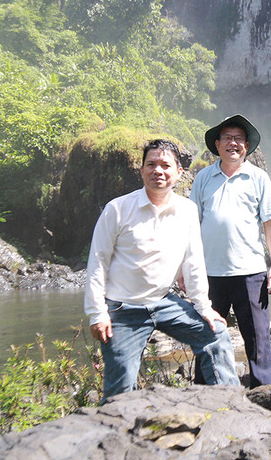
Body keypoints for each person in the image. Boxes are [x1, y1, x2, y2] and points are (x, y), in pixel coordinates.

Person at [85, 139, 239, 402]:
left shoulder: (187, 210)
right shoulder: (118, 209)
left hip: (164, 302)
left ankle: (231, 404)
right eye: (151, 164)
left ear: (179, 172)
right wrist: (97, 313)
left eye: (166, 165)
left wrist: (204, 308)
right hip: (123, 309)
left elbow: (193, 262)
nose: (158, 171)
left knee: (216, 334)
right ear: (141, 170)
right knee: (119, 389)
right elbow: (97, 262)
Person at [189, 115, 271, 387]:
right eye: (227, 138)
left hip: (250, 272)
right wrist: (186, 267)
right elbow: (191, 224)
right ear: (216, 145)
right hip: (210, 273)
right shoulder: (203, 178)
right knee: (208, 332)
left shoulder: (258, 178)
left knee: (258, 336)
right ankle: (205, 390)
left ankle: (264, 392)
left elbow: (270, 224)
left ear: (247, 146)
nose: (233, 143)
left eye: (238, 139)